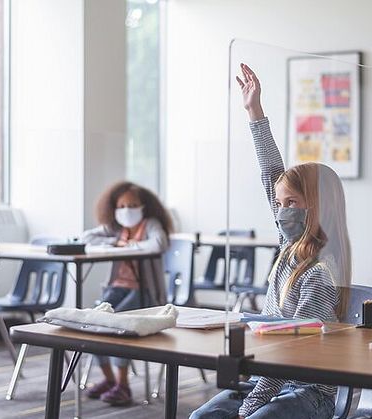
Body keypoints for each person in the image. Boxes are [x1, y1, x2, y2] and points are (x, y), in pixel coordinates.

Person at [190, 63, 351, 419]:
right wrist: (254, 111)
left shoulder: (321, 273)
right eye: (279, 204)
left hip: (309, 389)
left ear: (318, 207)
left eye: (291, 203)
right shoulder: (288, 247)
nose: (281, 211)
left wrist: (248, 408)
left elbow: (290, 356)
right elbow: (271, 175)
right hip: (270, 378)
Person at [80, 181, 173, 406]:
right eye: (122, 205)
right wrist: (115, 242)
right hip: (117, 288)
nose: (127, 210)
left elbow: (159, 244)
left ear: (143, 206)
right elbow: (86, 239)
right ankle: (109, 379)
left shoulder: (150, 224)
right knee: (94, 321)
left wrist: (130, 245)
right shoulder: (115, 228)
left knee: (118, 325)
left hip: (145, 292)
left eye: (132, 204)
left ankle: (124, 385)